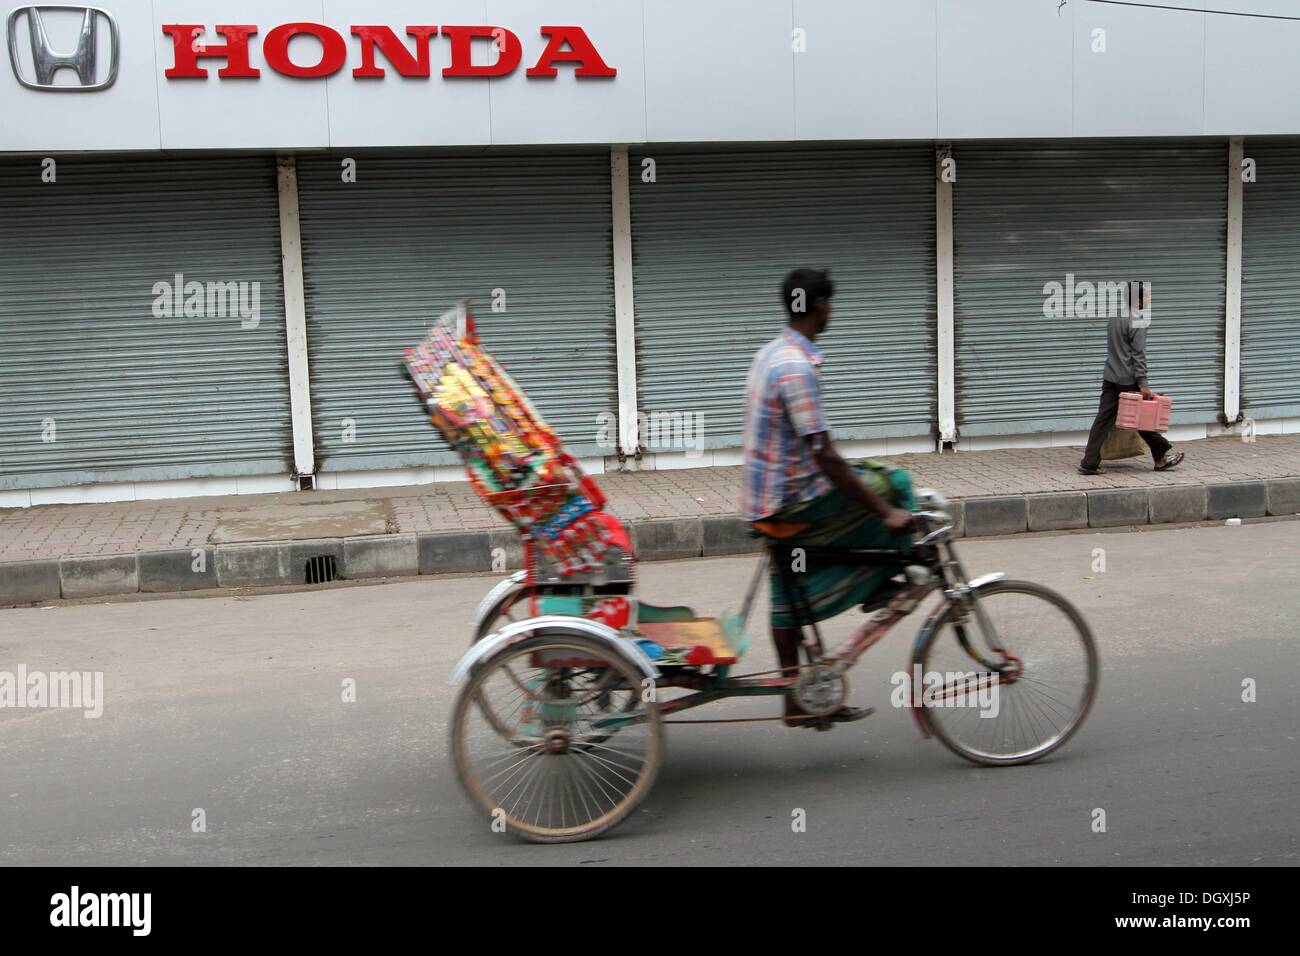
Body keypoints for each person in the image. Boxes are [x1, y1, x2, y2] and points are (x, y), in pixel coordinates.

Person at [741, 268, 921, 729]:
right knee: (894, 484)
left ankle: (795, 699)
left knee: (788, 590)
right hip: (793, 498)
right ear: (820, 306)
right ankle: (884, 581)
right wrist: (885, 512)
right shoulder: (796, 367)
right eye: (830, 304)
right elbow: (824, 453)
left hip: (764, 499)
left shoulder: (771, 352)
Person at [1078, 281, 1184, 475]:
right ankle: (1161, 457)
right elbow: (1138, 354)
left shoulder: (1114, 317)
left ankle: (1089, 462)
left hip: (1110, 376)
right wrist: (1143, 383)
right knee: (1142, 419)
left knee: (1103, 420)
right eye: (1148, 296)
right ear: (1138, 300)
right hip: (1127, 379)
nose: (1150, 299)